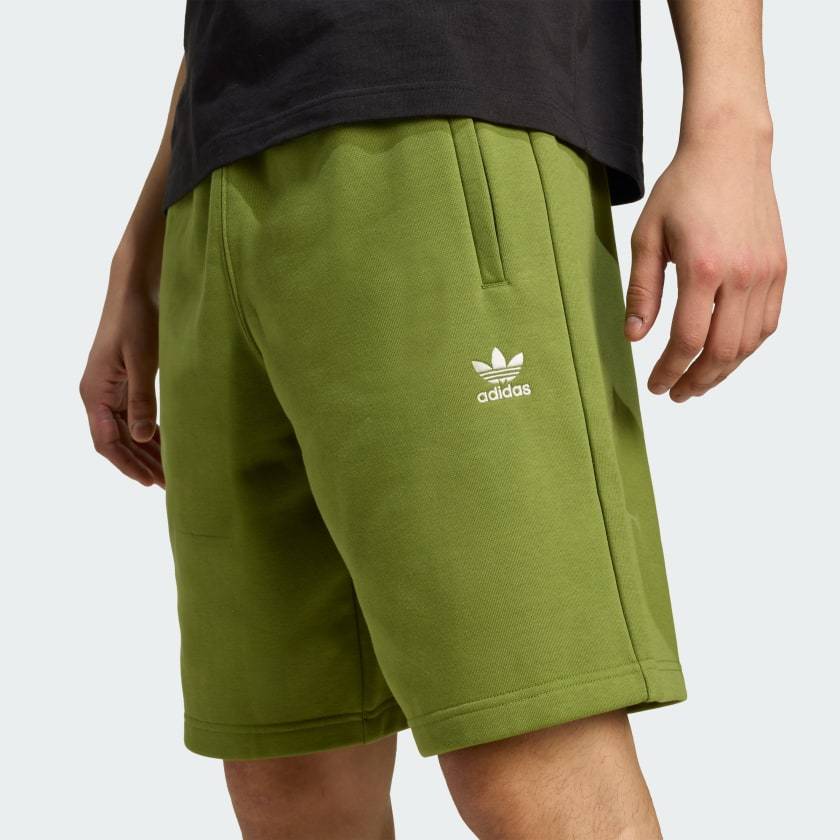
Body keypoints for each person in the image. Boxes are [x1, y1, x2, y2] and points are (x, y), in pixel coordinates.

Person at [80, 1, 785, 837]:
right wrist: (143, 246)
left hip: (443, 102)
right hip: (218, 173)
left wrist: (732, 127)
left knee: (525, 745)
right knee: (292, 779)